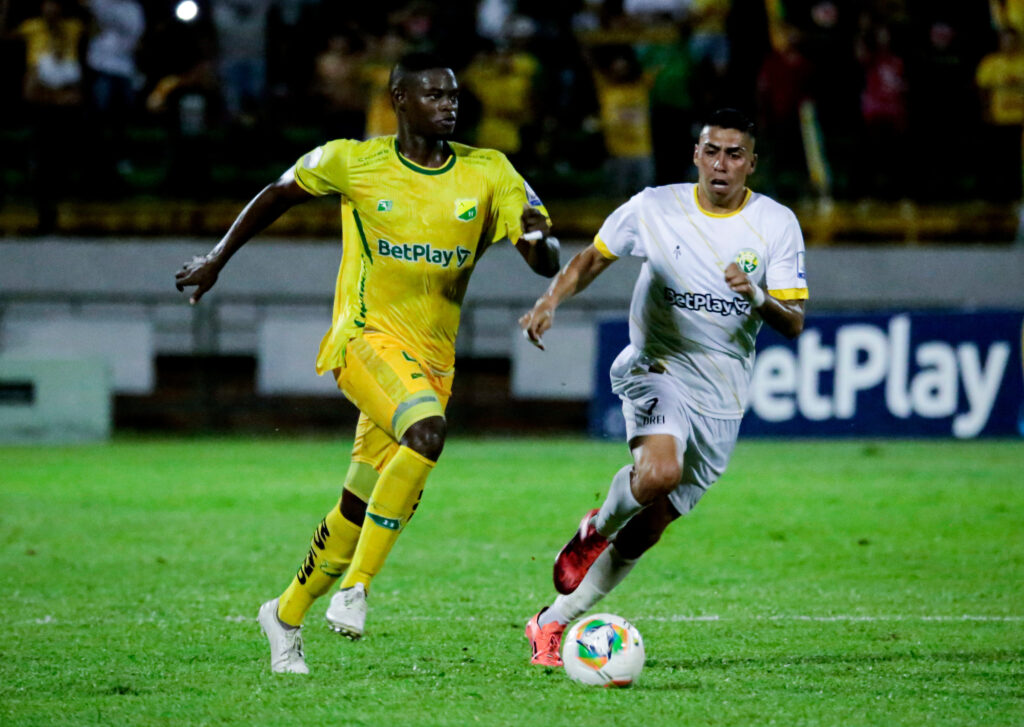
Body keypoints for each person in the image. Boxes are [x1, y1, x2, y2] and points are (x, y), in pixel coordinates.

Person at [174, 52, 560, 674]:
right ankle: (357, 588)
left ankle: (284, 614)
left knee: (359, 507)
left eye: (453, 95)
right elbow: (278, 192)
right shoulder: (353, 161)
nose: (448, 105)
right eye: (434, 95)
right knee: (427, 433)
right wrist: (217, 258)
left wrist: (540, 244)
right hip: (362, 340)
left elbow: (541, 249)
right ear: (399, 100)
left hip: (431, 361)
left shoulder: (490, 171)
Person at [518, 108, 807, 666]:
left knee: (650, 527)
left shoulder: (775, 224)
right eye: (711, 151)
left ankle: (550, 623)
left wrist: (756, 296)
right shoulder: (655, 207)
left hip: (722, 391)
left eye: (734, 154)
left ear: (751, 163)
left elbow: (793, 322)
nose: (721, 164)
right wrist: (549, 300)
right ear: (696, 154)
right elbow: (593, 257)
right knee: (659, 473)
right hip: (657, 364)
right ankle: (596, 528)